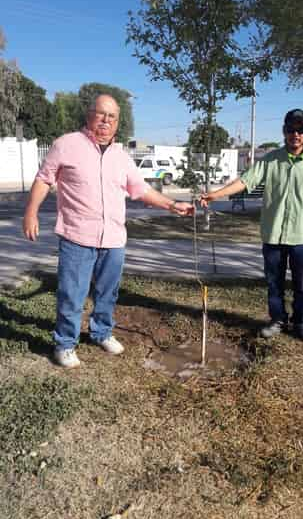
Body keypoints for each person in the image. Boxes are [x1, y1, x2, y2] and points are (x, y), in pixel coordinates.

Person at [23, 94, 194, 368]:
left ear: (117, 123)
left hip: (114, 238)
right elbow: (44, 179)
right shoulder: (65, 145)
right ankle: (65, 344)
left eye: (112, 116)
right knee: (72, 292)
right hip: (76, 236)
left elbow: (141, 189)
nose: (106, 120)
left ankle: (101, 332)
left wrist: (173, 205)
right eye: (101, 114)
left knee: (107, 292)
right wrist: (30, 213)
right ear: (89, 115)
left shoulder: (122, 157)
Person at [201, 109, 303, 344]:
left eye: (300, 129)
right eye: (291, 129)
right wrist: (215, 195)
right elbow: (244, 182)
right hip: (273, 234)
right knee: (274, 283)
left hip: (302, 236)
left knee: (302, 284)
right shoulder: (270, 160)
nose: (295, 134)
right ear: (284, 131)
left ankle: (302, 322)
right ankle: (277, 320)